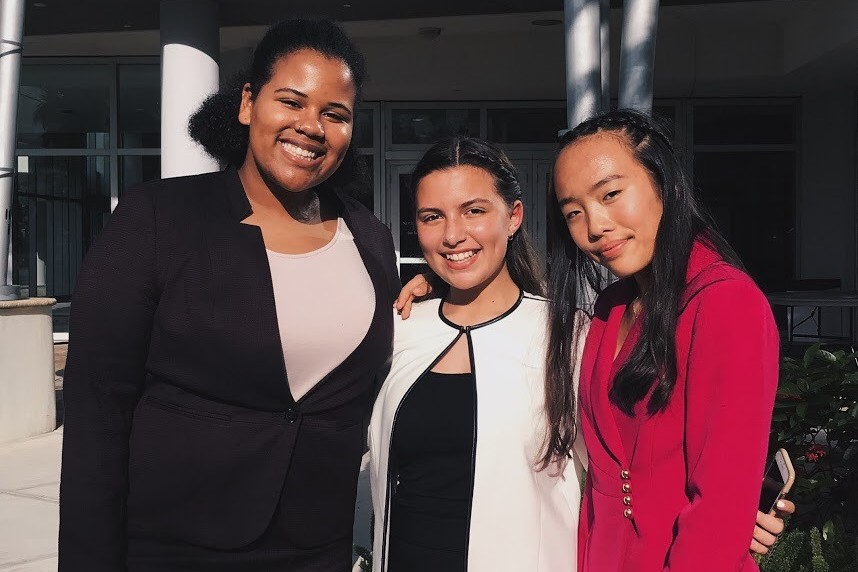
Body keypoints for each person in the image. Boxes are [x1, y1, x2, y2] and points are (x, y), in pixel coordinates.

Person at [59, 19, 399, 571]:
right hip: (175, 547)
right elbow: (98, 412)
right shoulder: (156, 219)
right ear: (247, 103)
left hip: (318, 545)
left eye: (334, 114)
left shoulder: (369, 237)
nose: (311, 126)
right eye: (292, 101)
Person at [546, 109, 782, 571]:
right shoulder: (609, 306)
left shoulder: (726, 304)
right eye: (574, 212)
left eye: (611, 194)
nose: (595, 226)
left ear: (665, 183)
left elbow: (720, 503)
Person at [369, 136, 588, 572]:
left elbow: (632, 465)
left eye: (474, 211)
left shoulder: (568, 335)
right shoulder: (399, 330)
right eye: (433, 217)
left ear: (513, 217)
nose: (453, 235)